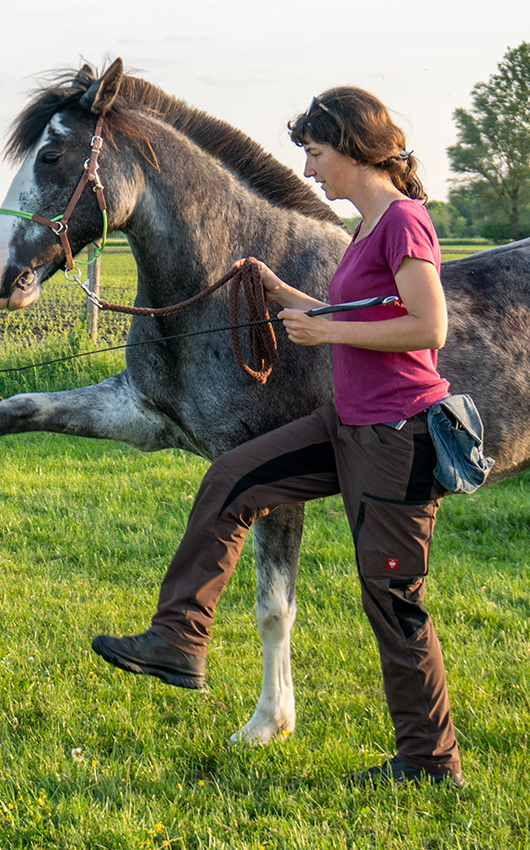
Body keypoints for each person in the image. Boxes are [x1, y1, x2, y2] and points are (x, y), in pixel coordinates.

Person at [92, 87, 463, 788]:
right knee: (233, 477)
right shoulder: (368, 226)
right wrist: (279, 293)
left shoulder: (404, 223)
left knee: (393, 598)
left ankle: (430, 762)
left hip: (397, 436)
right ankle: (179, 639)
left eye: (316, 154)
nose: (310, 170)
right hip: (347, 423)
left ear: (355, 148)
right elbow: (347, 308)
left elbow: (429, 328)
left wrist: (327, 331)